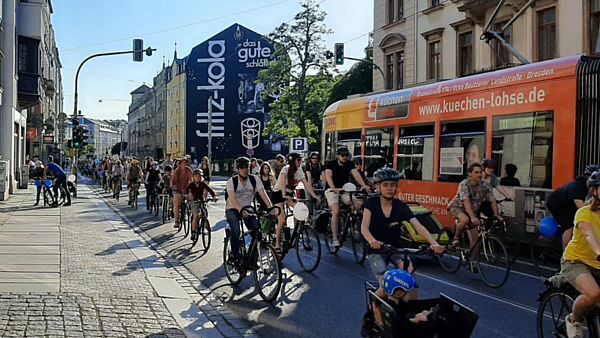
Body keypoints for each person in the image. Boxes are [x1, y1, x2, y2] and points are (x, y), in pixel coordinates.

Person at [361, 167, 443, 300]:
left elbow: (419, 227)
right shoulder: (372, 203)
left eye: (393, 185)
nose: (389, 188)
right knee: (387, 283)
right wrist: (372, 241)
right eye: (385, 185)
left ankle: (411, 312)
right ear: (377, 186)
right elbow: (364, 227)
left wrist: (434, 243)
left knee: (410, 279)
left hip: (395, 248)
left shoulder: (401, 206)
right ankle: (373, 309)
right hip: (376, 249)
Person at [563, 169, 600, 338]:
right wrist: (599, 251)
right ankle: (573, 319)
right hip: (576, 261)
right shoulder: (584, 212)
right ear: (595, 190)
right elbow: (588, 235)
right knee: (593, 293)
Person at [226, 157, 275, 266]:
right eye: (242, 168)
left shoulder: (254, 179)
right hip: (233, 208)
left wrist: (271, 208)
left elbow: (263, 195)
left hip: (248, 208)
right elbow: (232, 199)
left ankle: (251, 259)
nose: (245, 170)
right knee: (236, 231)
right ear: (237, 169)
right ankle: (235, 256)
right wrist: (241, 211)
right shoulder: (232, 181)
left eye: (247, 167)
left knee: (257, 233)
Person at [271, 153, 321, 257]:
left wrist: (315, 196)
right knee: (282, 219)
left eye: (301, 160)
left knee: (300, 210)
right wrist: (285, 195)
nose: (300, 162)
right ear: (293, 161)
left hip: (289, 194)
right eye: (299, 160)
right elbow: (283, 184)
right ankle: (277, 244)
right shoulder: (285, 169)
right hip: (279, 194)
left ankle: (296, 233)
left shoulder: (299, 171)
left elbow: (307, 185)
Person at [361, 269, 437, 338]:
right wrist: (424, 319)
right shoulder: (396, 315)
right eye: (410, 291)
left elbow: (415, 305)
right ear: (399, 293)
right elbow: (418, 333)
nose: (414, 293)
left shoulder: (381, 304)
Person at [448, 163, 503, 251]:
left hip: (471, 210)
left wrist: (496, 214)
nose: (479, 175)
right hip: (457, 207)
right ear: (470, 174)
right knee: (465, 219)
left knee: (475, 239)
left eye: (481, 172)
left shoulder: (484, 185)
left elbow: (492, 200)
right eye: (476, 172)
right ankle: (456, 238)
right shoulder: (464, 184)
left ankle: (472, 261)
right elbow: (466, 201)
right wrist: (473, 217)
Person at [325, 147, 371, 248]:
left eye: (346, 155)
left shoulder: (350, 164)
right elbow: (328, 176)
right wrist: (334, 188)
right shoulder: (331, 164)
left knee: (357, 206)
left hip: (345, 190)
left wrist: (363, 185)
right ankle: (335, 238)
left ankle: (352, 226)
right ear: (337, 156)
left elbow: (356, 175)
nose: (345, 157)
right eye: (342, 155)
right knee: (336, 211)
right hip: (332, 190)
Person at [547, 164, 599, 249]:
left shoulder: (591, 188)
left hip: (567, 204)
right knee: (569, 226)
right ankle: (565, 254)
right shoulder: (577, 187)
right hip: (556, 204)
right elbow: (582, 208)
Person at [185, 169, 216, 241]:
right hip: (194, 202)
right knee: (195, 215)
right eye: (196, 176)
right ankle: (193, 231)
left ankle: (203, 223)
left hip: (201, 200)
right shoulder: (191, 184)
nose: (197, 178)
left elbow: (209, 190)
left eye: (199, 176)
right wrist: (188, 194)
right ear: (193, 177)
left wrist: (214, 196)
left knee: (204, 212)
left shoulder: (202, 184)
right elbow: (186, 191)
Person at [170, 156, 194, 229]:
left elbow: (192, 179)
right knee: (177, 203)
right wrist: (172, 185)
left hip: (186, 189)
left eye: (185, 162)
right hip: (177, 189)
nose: (184, 164)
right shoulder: (177, 170)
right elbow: (173, 181)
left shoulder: (189, 170)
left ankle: (193, 213)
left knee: (192, 198)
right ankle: (176, 221)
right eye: (182, 162)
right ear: (180, 163)